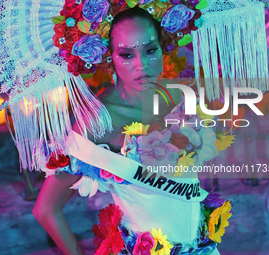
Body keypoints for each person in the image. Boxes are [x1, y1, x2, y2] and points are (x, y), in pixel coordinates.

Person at [33, 6, 224, 255]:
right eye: (126, 54)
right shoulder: (99, 119)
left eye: (150, 50)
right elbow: (46, 209)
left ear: (163, 46)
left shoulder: (179, 96)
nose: (142, 65)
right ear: (108, 56)